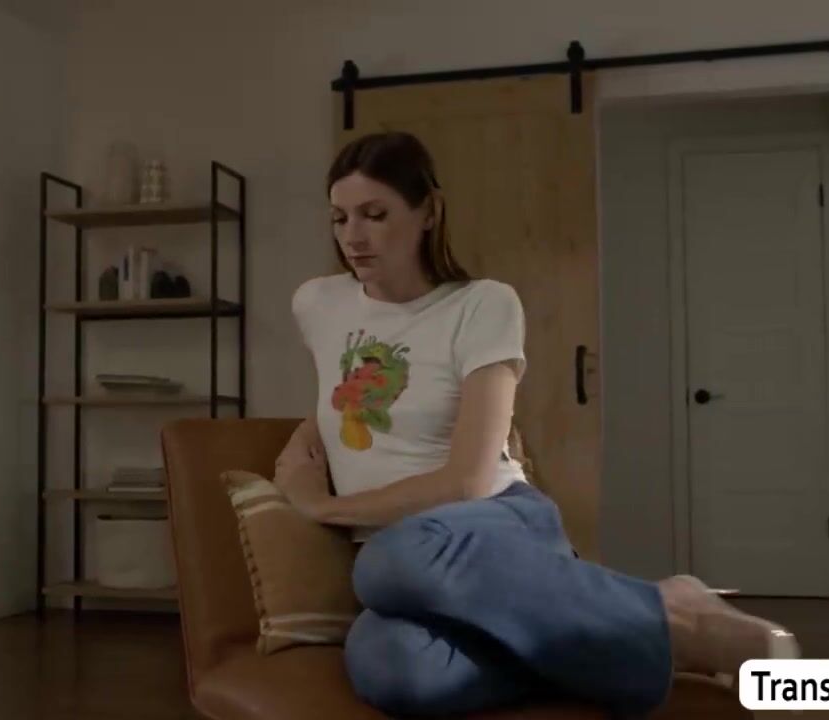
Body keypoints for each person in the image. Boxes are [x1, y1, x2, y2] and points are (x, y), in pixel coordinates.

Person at [273, 130, 799, 718]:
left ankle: (686, 627)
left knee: (387, 560)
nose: (353, 235)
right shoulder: (318, 303)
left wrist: (322, 506)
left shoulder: (481, 305)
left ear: (428, 213)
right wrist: (304, 441)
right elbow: (339, 395)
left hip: (491, 523)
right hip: (410, 569)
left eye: (375, 215)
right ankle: (640, 617)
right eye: (339, 217)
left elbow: (468, 481)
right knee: (389, 664)